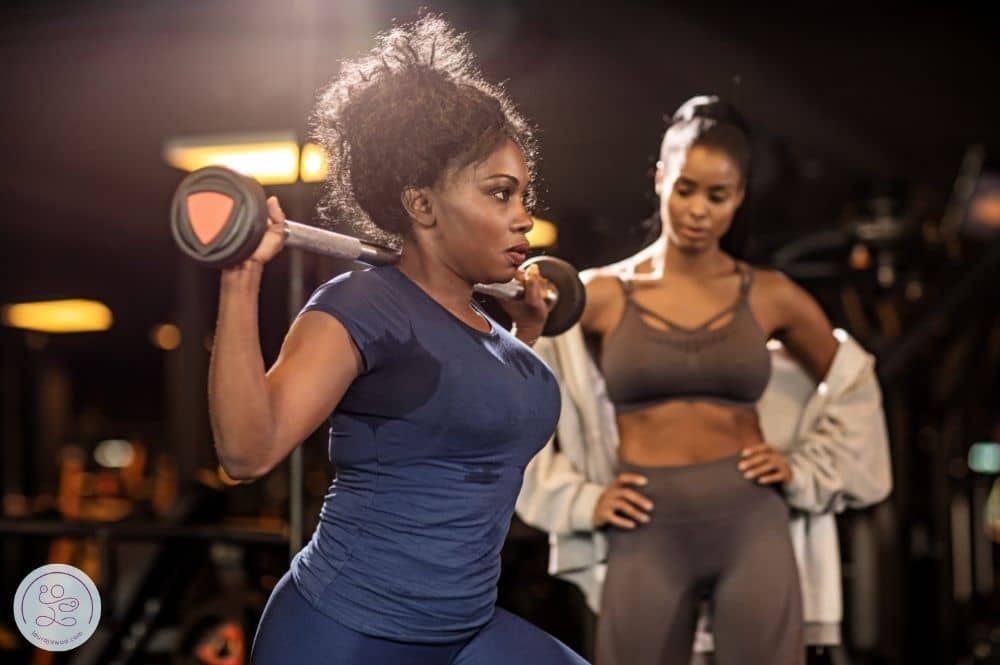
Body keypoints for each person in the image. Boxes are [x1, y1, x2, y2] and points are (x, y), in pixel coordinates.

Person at [207, 15, 588, 664]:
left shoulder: (494, 331)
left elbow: (481, 410)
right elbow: (248, 449)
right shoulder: (365, 305)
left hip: (463, 632)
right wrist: (241, 276)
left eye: (525, 194)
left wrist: (526, 329)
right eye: (500, 194)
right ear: (421, 204)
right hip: (340, 635)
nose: (524, 216)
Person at [515, 95, 893, 665]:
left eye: (718, 195)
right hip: (645, 522)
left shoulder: (770, 295)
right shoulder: (604, 294)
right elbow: (523, 397)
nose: (698, 209)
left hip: (750, 518)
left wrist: (805, 467)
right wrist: (580, 498)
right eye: (686, 188)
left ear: (739, 196)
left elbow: (854, 380)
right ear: (661, 178)